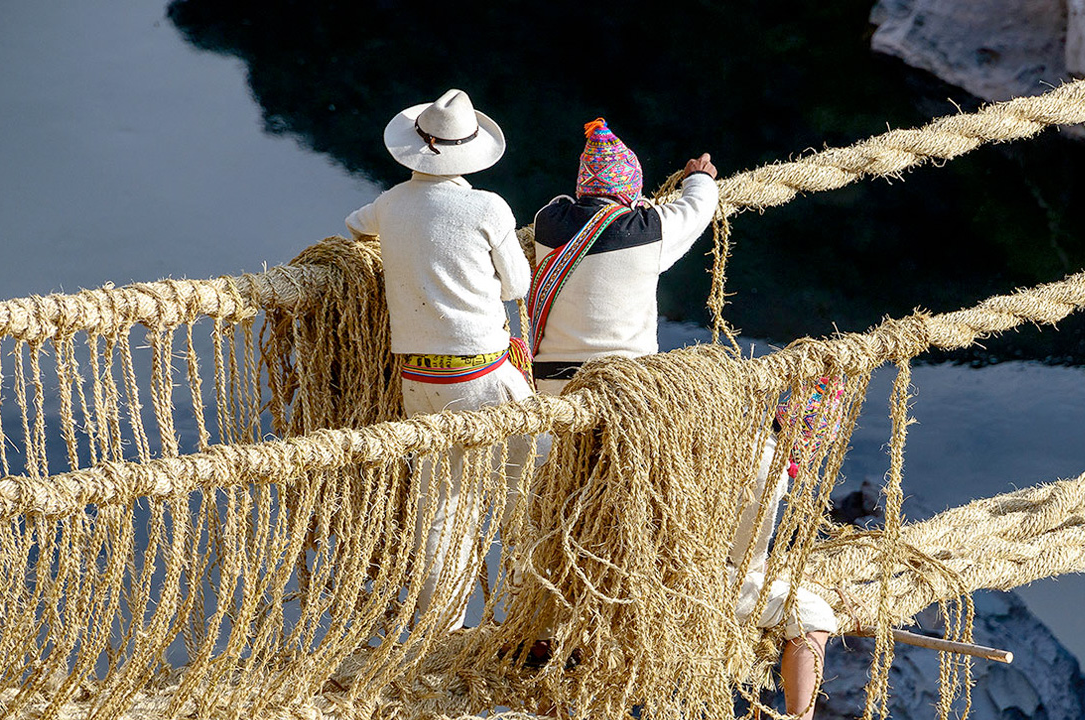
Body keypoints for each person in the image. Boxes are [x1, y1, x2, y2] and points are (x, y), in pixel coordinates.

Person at [344, 89, 531, 631]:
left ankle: (439, 626)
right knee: (539, 477)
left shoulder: (389, 204)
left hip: (417, 378)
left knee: (442, 500)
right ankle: (526, 614)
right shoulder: (488, 207)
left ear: (416, 149)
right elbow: (516, 286)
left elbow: (354, 228)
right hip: (482, 373)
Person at [526, 118, 717, 395]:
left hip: (552, 383)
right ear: (632, 189)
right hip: (624, 383)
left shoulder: (548, 221)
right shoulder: (649, 229)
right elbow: (697, 207)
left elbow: (563, 202)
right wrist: (699, 177)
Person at [729, 378, 846, 720]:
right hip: (702, 584)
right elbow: (745, 556)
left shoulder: (737, 434)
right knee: (813, 613)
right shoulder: (769, 467)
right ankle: (800, 717)